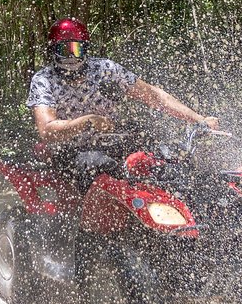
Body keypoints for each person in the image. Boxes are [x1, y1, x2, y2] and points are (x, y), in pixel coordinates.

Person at [26, 17, 219, 190]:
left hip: (113, 143)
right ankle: (97, 228)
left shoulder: (106, 69)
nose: (70, 56)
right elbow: (47, 130)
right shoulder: (43, 79)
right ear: (53, 50)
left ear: (85, 48)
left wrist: (198, 118)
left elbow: (154, 96)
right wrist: (87, 121)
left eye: (76, 49)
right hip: (71, 152)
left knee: (163, 156)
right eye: (63, 49)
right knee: (100, 165)